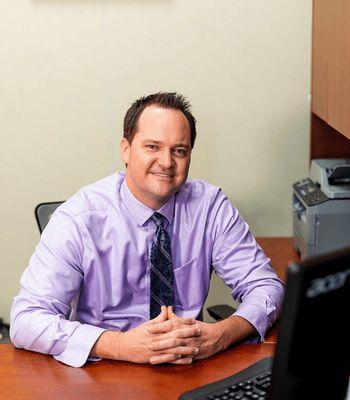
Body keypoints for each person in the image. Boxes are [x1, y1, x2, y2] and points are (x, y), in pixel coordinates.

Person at [10, 92, 284, 368]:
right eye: (152, 146)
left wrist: (222, 334)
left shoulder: (209, 206)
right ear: (126, 150)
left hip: (187, 365)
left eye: (179, 150)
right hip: (103, 367)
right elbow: (27, 320)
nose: (166, 162)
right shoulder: (79, 218)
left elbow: (265, 287)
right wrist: (121, 345)